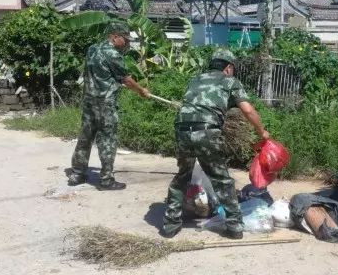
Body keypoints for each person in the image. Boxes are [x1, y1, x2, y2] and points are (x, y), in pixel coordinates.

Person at [161, 49, 269, 239]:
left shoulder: (195, 79)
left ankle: (171, 224)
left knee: (182, 176)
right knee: (221, 179)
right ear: (228, 68)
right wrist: (262, 131)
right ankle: (235, 226)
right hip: (207, 131)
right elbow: (248, 110)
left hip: (182, 129)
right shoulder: (229, 81)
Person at [68, 23, 149, 190]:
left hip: (89, 102)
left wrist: (113, 80)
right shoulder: (113, 54)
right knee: (107, 140)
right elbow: (126, 79)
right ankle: (106, 179)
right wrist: (141, 90)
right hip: (105, 104)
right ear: (114, 37)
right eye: (124, 40)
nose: (126, 44)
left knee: (85, 138)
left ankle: (77, 174)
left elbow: (101, 73)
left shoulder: (92, 49)